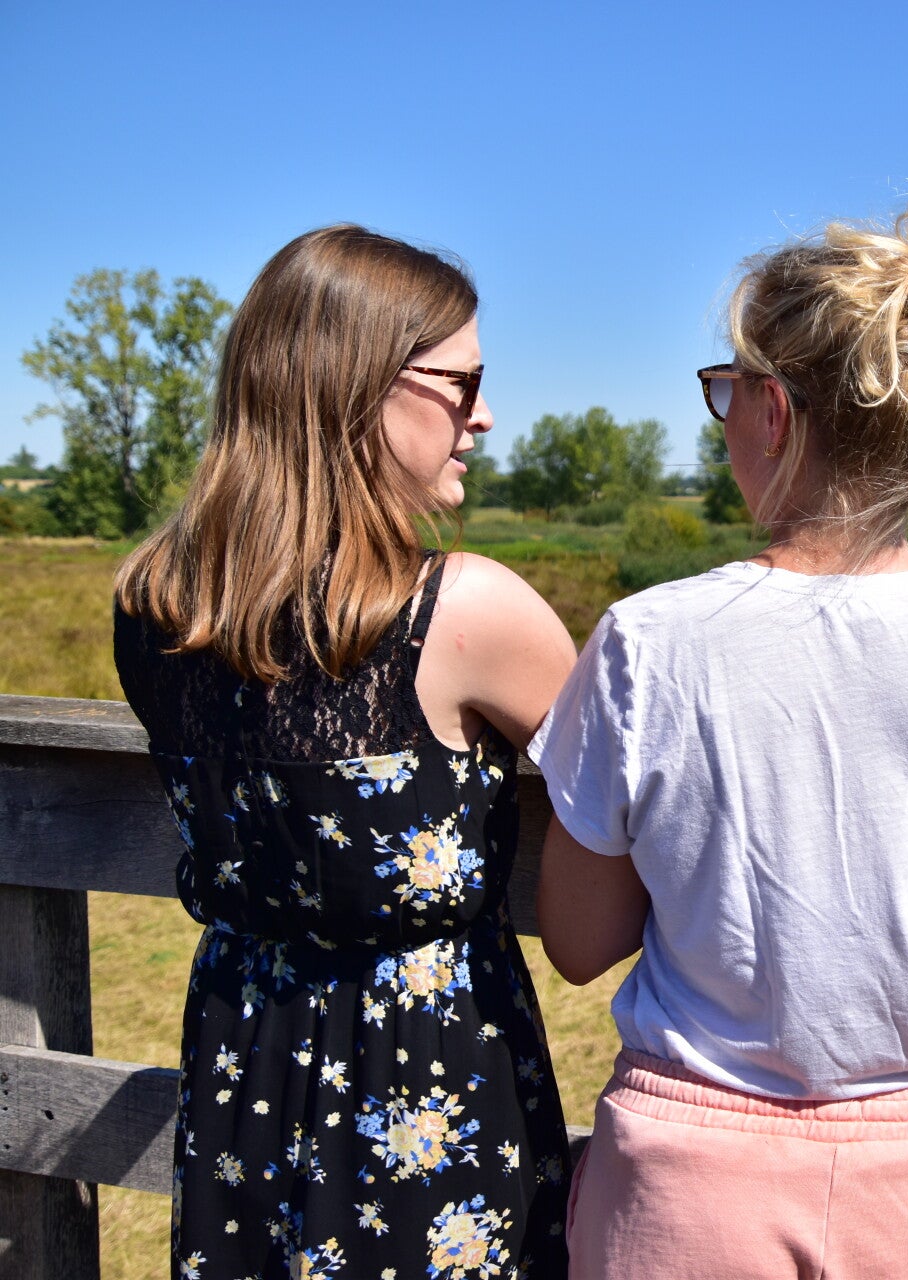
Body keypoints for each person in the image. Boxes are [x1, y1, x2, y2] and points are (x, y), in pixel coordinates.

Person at [534, 205, 908, 1280]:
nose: (722, 420)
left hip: (687, 1180)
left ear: (776, 410)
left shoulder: (645, 642)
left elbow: (577, 936)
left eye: (727, 391)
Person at [113, 224, 576, 1277]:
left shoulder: (152, 608)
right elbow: (640, 805)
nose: (485, 415)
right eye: (463, 382)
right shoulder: (465, 611)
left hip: (241, 1079)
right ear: (359, 385)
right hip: (427, 1101)